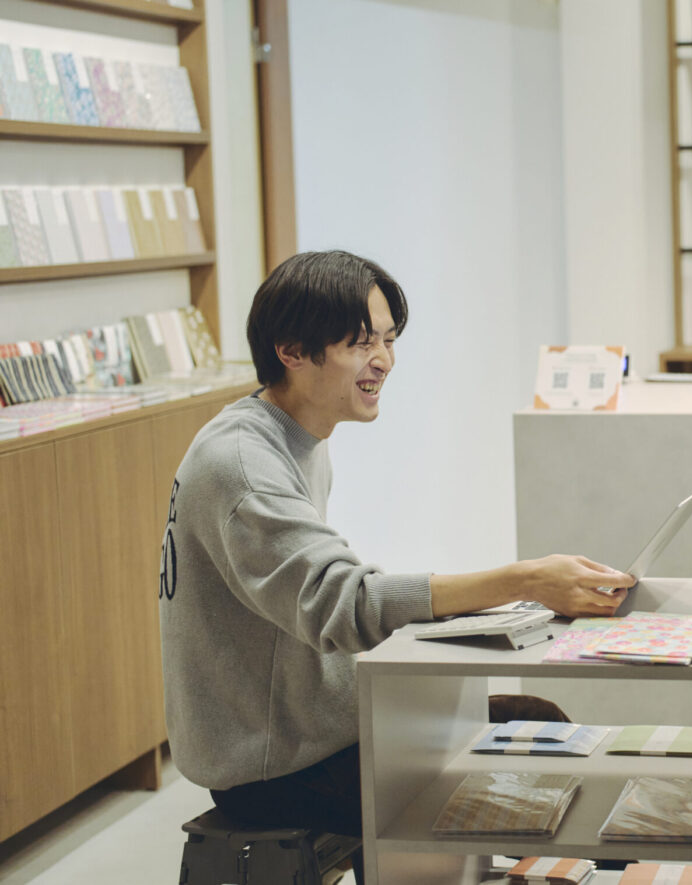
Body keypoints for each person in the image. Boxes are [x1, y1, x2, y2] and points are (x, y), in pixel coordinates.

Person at [158, 250, 633, 880]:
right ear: (292, 351)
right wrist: (524, 580)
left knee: (539, 728)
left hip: (314, 726)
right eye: (360, 343)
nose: (383, 360)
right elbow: (345, 604)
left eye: (388, 340)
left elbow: (326, 598)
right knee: (547, 767)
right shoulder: (244, 466)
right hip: (276, 762)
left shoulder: (292, 436)